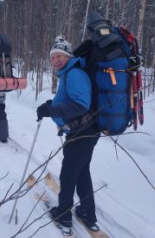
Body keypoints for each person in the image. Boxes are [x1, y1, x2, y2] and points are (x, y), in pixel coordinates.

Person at [36, 35, 100, 236]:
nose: (56, 60)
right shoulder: (69, 72)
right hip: (86, 131)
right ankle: (88, 214)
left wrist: (52, 111)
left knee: (69, 174)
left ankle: (63, 216)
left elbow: (80, 105)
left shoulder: (74, 73)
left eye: (60, 56)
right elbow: (70, 100)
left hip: (82, 133)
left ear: (68, 55)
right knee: (81, 173)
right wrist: (51, 105)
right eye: (53, 57)